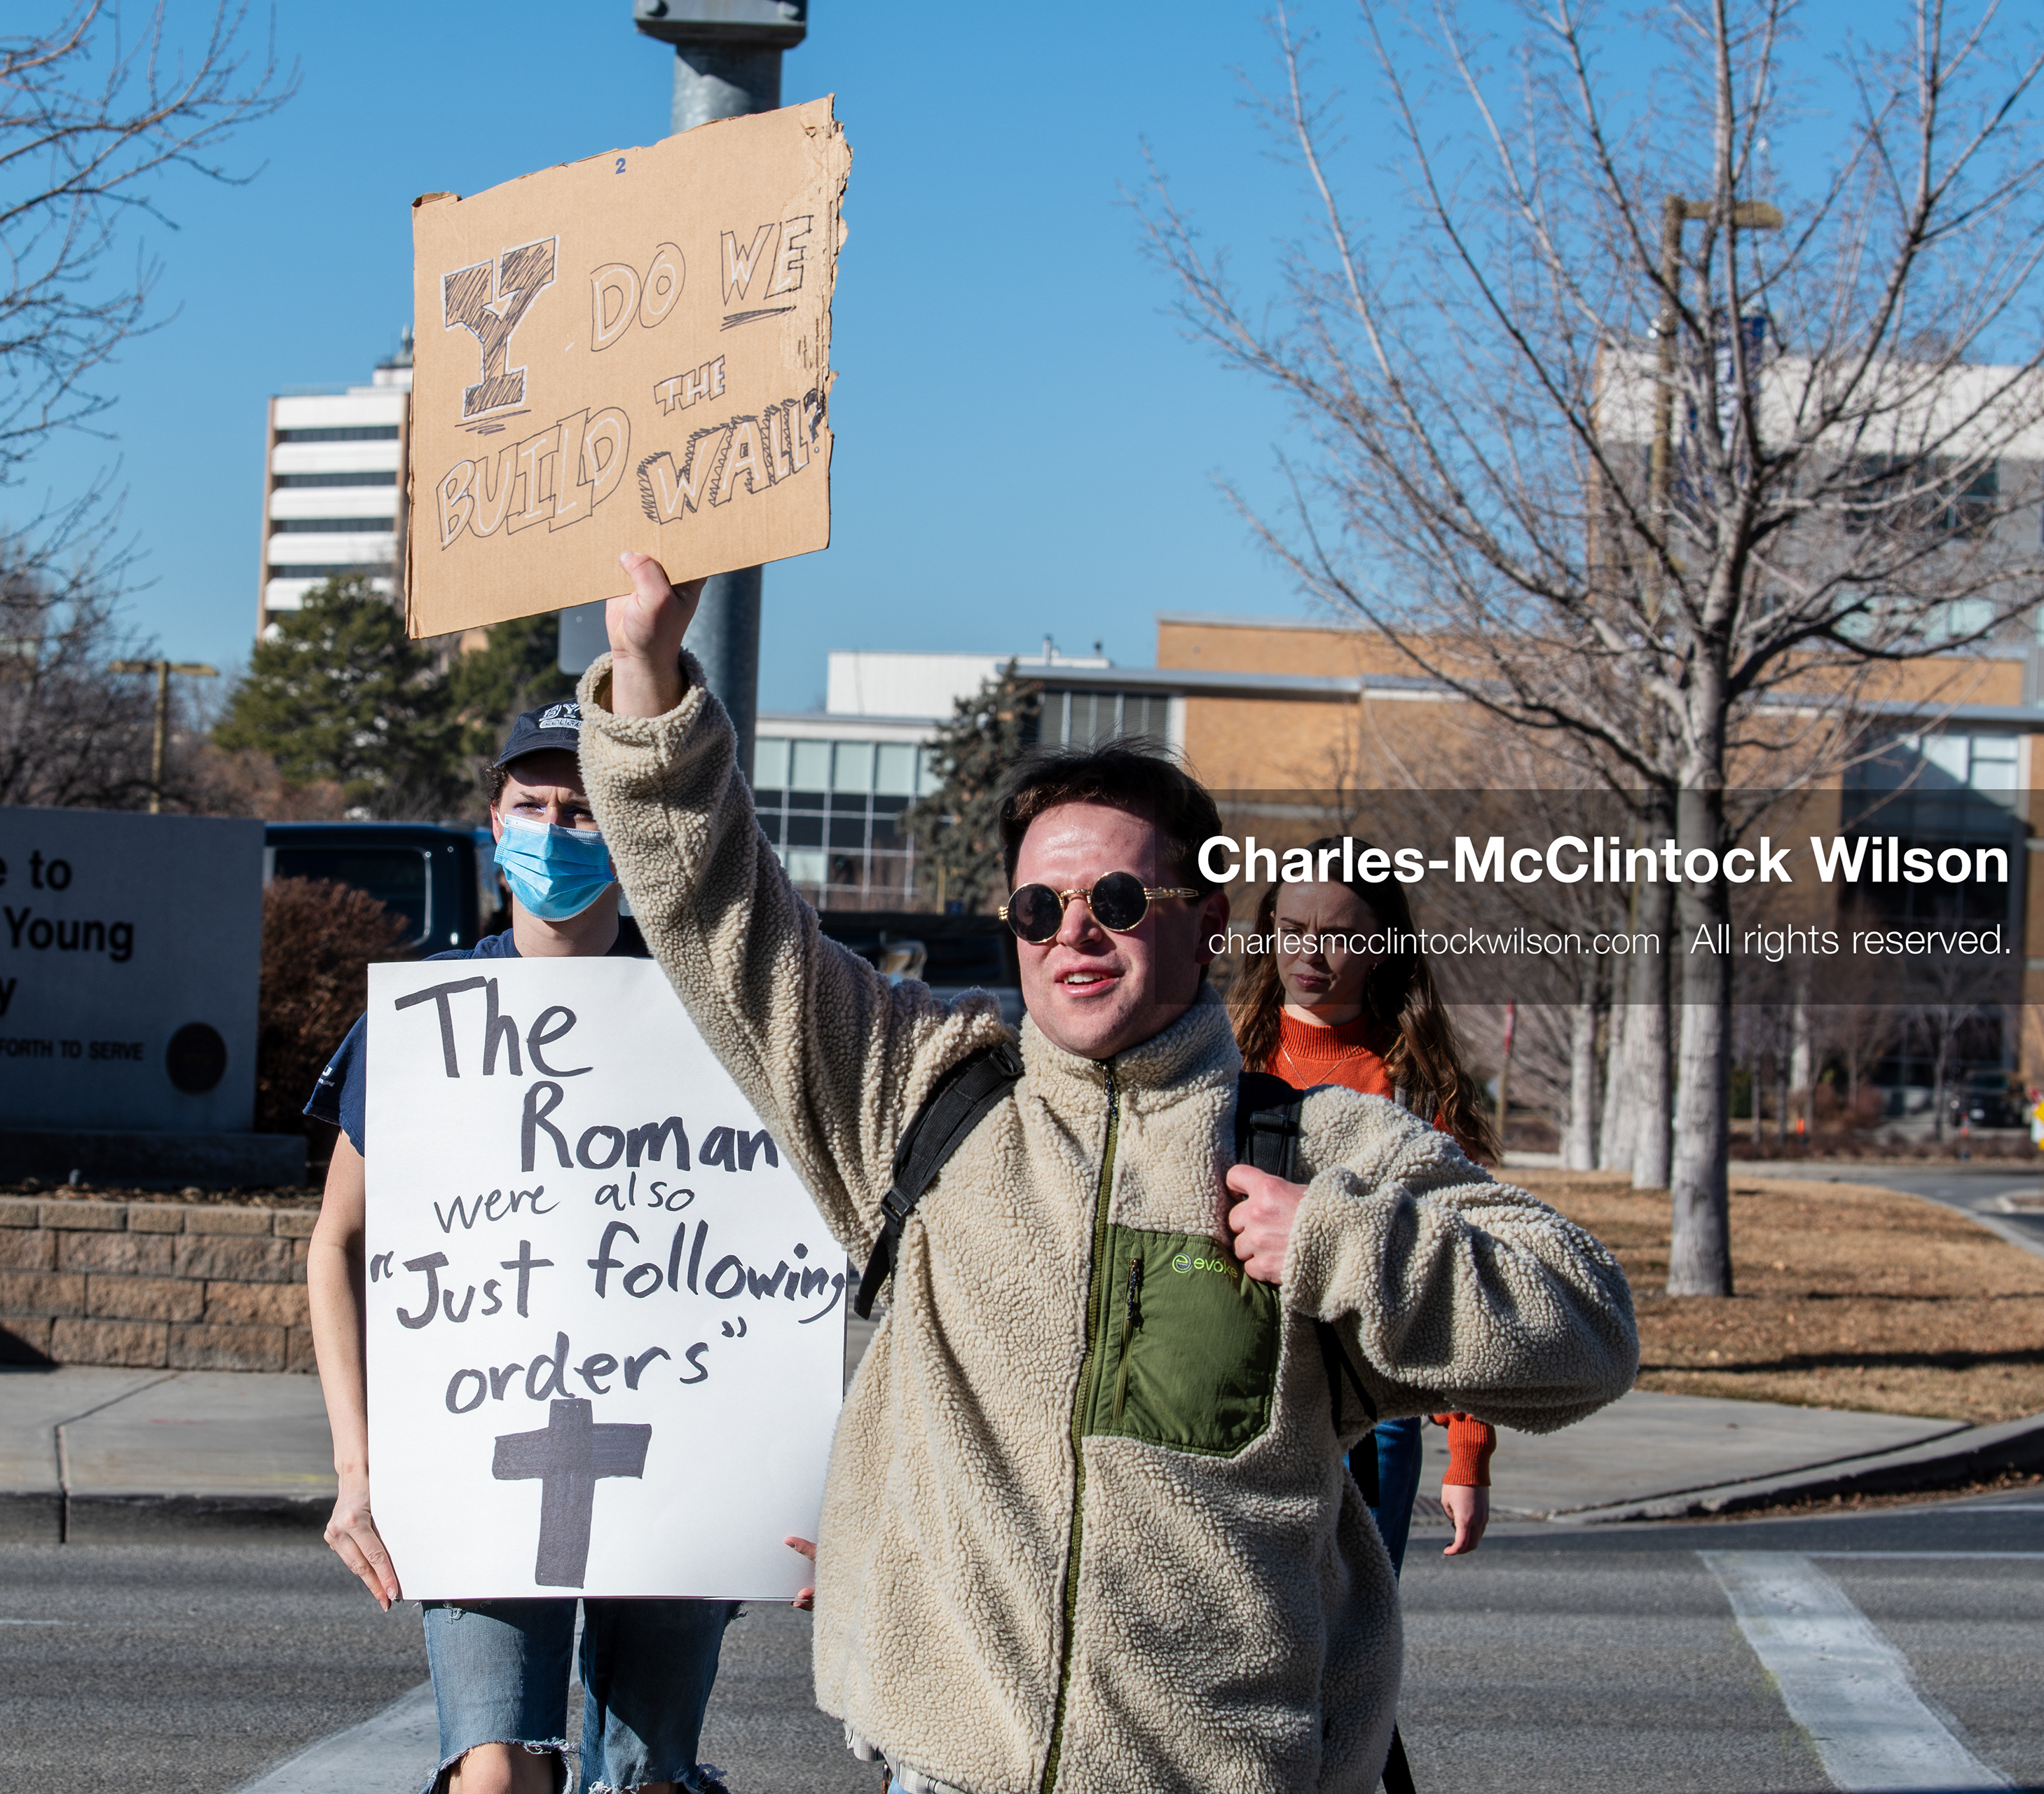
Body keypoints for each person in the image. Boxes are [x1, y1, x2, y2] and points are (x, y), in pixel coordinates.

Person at [575, 552, 1638, 1794]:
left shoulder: (1316, 1146)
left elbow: (1585, 1334)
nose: (1073, 933)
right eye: (1040, 909)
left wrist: (1354, 1249)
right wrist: (648, 677)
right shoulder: (924, 1093)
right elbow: (720, 918)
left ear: (1209, 921)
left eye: (1120, 898)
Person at [303, 699, 732, 1794]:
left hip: (677, 1459)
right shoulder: (420, 1024)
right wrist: (357, 1470)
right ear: (494, 823)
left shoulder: (705, 1023)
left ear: (628, 837)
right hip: (480, 1451)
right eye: (532, 805)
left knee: (645, 1779)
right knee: (495, 1774)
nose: (554, 830)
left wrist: (791, 1475)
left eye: (585, 812)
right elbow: (338, 1245)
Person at [1233, 840, 1500, 1573]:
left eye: (1341, 936)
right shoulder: (1223, 1059)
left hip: (1371, 1404)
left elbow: (1454, 1266)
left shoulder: (1415, 1086)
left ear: (1382, 947)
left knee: (1349, 1641)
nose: (1311, 954)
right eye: (1293, 931)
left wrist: (1467, 1453)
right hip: (1235, 1385)